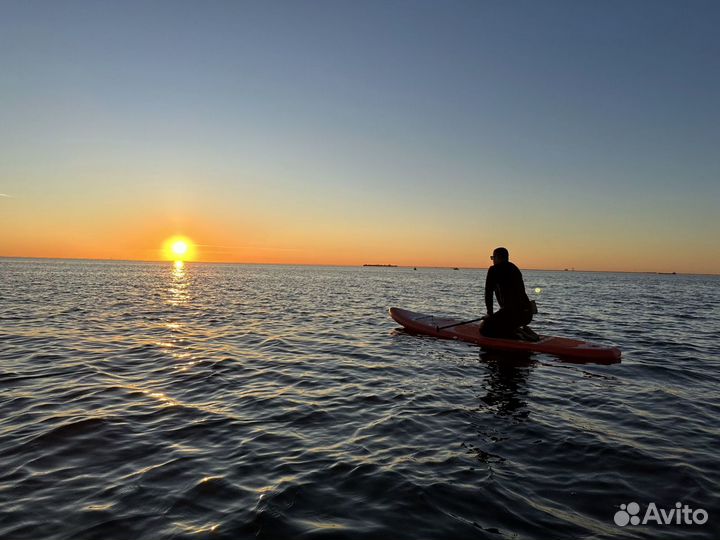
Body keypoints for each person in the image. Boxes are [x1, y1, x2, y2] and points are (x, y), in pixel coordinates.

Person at [479, 247, 537, 340]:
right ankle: (520, 330)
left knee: (484, 329)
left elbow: (488, 293)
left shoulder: (494, 270)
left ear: (497, 257)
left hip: (512, 314)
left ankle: (519, 336)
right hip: (527, 314)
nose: (492, 260)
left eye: (492, 258)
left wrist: (489, 314)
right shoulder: (514, 268)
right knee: (501, 321)